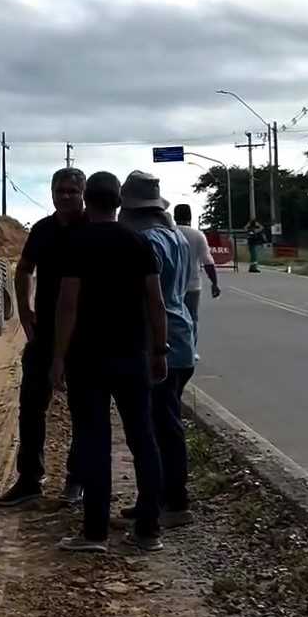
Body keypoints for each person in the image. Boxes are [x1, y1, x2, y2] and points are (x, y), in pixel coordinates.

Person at [52, 172, 167, 552]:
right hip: (133, 355)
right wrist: (159, 350)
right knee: (143, 439)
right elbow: (156, 303)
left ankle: (95, 533)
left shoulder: (77, 243)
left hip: (87, 359)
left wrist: (58, 358)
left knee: (93, 440)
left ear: (87, 201)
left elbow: (68, 305)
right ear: (119, 202)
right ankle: (149, 531)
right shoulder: (139, 242)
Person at [0, 167, 86, 508]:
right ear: (52, 193)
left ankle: (77, 480)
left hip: (84, 334)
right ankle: (29, 480)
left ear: (83, 194)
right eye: (60, 190)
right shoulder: (43, 230)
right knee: (31, 406)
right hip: (45, 331)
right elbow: (24, 270)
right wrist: (24, 310)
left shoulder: (93, 229)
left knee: (83, 408)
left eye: (73, 191)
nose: (66, 196)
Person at [120, 171, 196, 528]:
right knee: (164, 422)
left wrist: (153, 349)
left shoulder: (146, 242)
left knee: (161, 427)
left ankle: (174, 503)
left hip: (159, 341)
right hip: (181, 336)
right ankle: (155, 497)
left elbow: (146, 299)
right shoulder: (176, 236)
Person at [173, 203, 221, 350]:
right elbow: (208, 262)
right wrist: (214, 283)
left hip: (172, 285)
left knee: (173, 318)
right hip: (193, 285)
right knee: (192, 317)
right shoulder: (197, 235)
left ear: (174, 217)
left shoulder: (169, 233)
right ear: (191, 217)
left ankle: (173, 348)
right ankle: (191, 349)